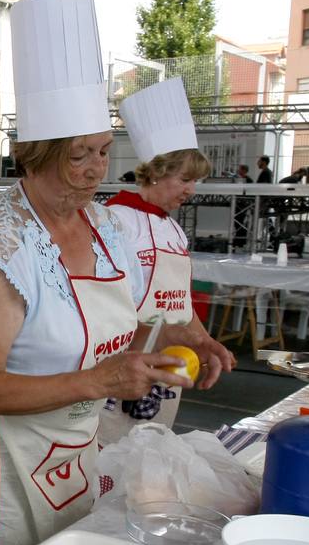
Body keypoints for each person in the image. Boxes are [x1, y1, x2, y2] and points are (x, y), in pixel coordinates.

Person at [0, 0, 190, 545]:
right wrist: (100, 382)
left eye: (103, 150)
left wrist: (175, 335)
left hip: (65, 442)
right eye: (79, 156)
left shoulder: (104, 227)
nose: (98, 169)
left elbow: (116, 327)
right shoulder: (1, 246)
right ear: (38, 155)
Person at [99, 78, 236, 441]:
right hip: (124, 361)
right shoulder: (115, 219)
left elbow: (182, 303)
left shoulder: (175, 231)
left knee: (152, 448)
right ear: (157, 171)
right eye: (185, 179)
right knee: (111, 453)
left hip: (171, 360)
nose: (191, 190)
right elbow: (101, 302)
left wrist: (204, 344)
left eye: (196, 181)